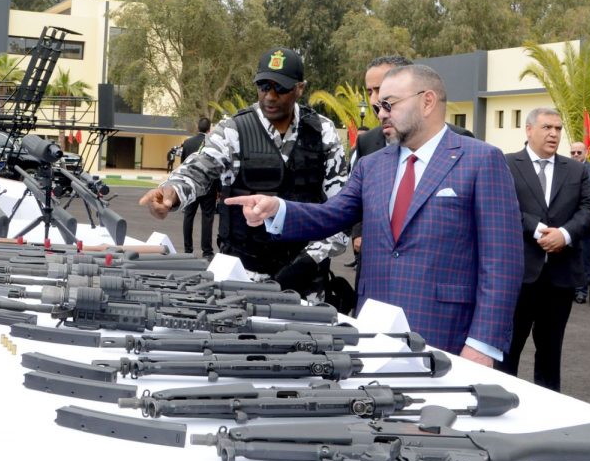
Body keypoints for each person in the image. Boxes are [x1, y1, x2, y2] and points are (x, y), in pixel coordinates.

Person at [224, 64, 523, 365]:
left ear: (427, 102)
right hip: (375, 329)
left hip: (445, 332)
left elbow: (502, 262)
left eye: (389, 105)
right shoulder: (372, 165)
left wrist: (483, 343)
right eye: (378, 107)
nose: (380, 114)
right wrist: (279, 209)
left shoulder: (481, 160)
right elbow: (332, 214)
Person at [139, 47, 348, 297]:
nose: (270, 96)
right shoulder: (234, 130)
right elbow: (199, 168)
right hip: (242, 278)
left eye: (280, 88)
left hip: (306, 281)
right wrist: (171, 192)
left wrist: (308, 261)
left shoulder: (322, 132)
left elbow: (342, 210)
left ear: (299, 88)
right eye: (263, 86)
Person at [347, 56, 474, 272]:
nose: (375, 101)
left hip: (431, 274)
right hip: (376, 273)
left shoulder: (465, 146)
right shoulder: (367, 143)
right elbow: (351, 201)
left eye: (383, 92)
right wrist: (358, 233)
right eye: (370, 92)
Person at [498, 108, 590, 392]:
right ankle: (502, 402)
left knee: (551, 353)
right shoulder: (506, 164)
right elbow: (502, 206)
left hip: (560, 277)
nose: (554, 134)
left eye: (558, 129)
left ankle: (549, 407)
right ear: (529, 130)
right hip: (518, 275)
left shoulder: (576, 169)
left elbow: (588, 209)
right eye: (547, 127)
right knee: (508, 350)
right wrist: (537, 229)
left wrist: (564, 234)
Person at [569, 142, 590, 303]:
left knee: (584, 257)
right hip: (568, 219)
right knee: (568, 257)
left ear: (586, 153)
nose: (576, 155)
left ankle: (581, 290)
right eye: (573, 152)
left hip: (585, 219)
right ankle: (570, 288)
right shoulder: (567, 167)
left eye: (579, 152)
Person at [180, 117, 217, 261]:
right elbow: (216, 166)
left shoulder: (188, 143)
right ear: (209, 128)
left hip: (191, 186)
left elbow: (183, 165)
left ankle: (187, 250)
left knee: (188, 216)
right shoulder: (212, 144)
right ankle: (207, 251)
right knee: (207, 218)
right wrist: (219, 188)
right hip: (208, 186)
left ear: (197, 127)